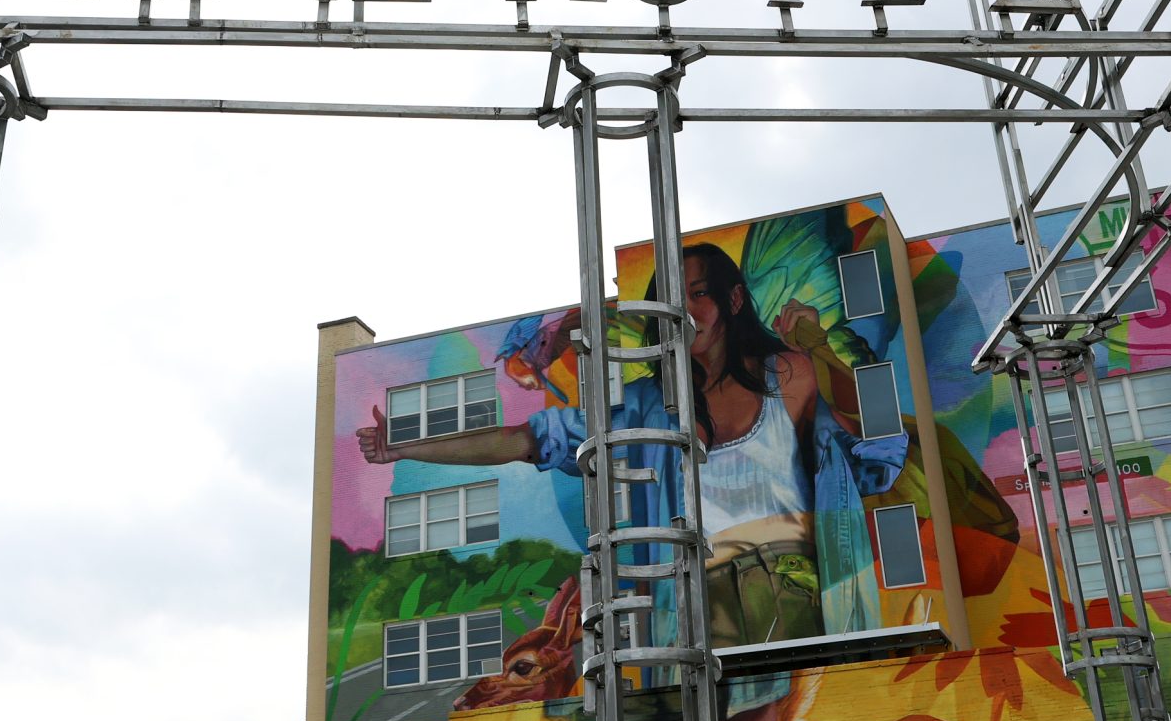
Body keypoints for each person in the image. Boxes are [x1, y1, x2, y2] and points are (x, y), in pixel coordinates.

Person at [358, 242, 906, 648]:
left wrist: (820, 345)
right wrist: (406, 448)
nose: (686, 311)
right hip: (690, 601)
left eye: (698, 294)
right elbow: (525, 440)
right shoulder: (645, 406)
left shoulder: (791, 372)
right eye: (673, 300)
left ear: (735, 298)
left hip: (792, 589)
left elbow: (880, 457)